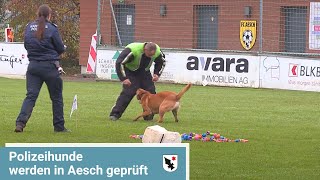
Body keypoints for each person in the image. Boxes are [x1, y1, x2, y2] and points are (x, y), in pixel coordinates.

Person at [14, 4, 69, 133]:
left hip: (33, 67)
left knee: (30, 96)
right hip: (50, 66)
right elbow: (60, 48)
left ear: (38, 14)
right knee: (56, 98)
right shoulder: (52, 28)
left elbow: (27, 45)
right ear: (49, 15)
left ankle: (20, 123)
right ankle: (59, 127)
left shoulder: (28, 27)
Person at [109, 42, 166, 121]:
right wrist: (124, 78)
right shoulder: (132, 50)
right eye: (149, 55)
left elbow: (161, 62)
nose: (151, 57)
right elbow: (120, 63)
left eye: (153, 55)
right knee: (128, 92)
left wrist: (157, 73)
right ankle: (115, 114)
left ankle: (148, 115)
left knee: (151, 92)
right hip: (130, 71)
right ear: (145, 49)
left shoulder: (157, 52)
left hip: (144, 72)